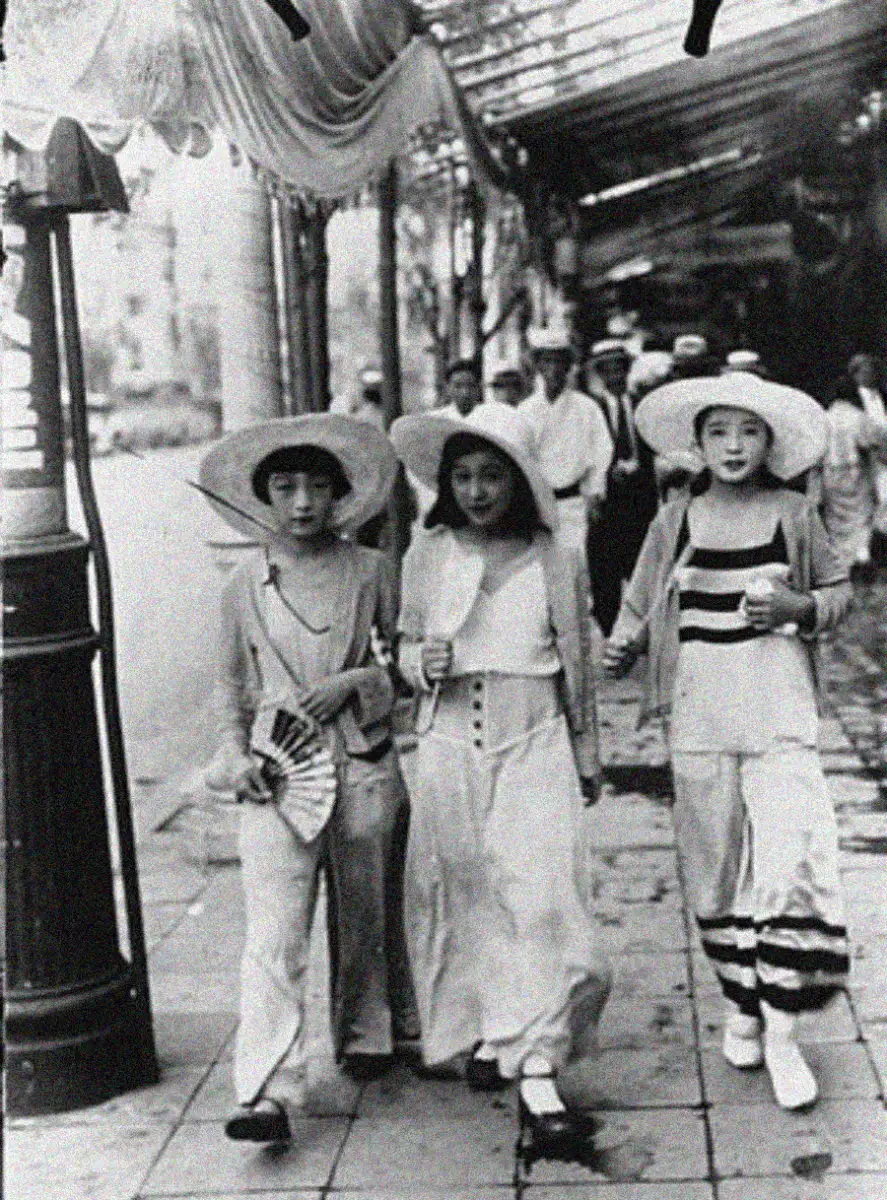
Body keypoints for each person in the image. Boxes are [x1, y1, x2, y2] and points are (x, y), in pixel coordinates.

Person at [603, 372, 852, 1113]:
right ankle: (740, 1002)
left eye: (748, 432)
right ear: (698, 443)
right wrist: (622, 646)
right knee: (714, 877)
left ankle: (780, 1032)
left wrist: (798, 605)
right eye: (718, 432)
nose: (734, 446)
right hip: (700, 715)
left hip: (778, 713)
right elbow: (639, 601)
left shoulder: (795, 513)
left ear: (768, 443)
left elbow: (837, 593)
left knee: (787, 866)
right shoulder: (674, 518)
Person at [390, 401, 611, 1162]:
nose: (478, 490)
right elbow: (402, 645)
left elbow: (578, 662)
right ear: (445, 484)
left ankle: (540, 1069)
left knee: (543, 898)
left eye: (493, 474)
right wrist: (419, 663)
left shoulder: (555, 557)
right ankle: (488, 1031)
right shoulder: (428, 554)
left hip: (533, 743)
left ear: (520, 481)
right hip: (449, 744)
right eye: (464, 475)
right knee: (465, 896)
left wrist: (586, 753)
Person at [199, 414, 418, 1143]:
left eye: (318, 487)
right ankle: (268, 1089)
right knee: (273, 928)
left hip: (359, 761)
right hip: (276, 770)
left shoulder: (371, 571)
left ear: (340, 495)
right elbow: (229, 689)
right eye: (287, 487)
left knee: (364, 910)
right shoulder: (242, 583)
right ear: (264, 497)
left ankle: (365, 1035)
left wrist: (357, 681)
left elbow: (408, 669)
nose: (302, 503)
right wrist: (235, 760)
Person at [519, 326, 613, 563]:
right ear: (538, 366)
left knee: (572, 568)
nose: (553, 369)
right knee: (537, 571)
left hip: (573, 504)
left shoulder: (586, 408)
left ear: (568, 366)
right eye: (547, 361)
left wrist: (594, 494)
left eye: (559, 361)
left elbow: (601, 452)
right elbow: (519, 456)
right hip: (536, 505)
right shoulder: (526, 410)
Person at [585, 338, 649, 635]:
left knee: (640, 568)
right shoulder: (590, 409)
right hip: (606, 504)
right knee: (605, 572)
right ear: (600, 374)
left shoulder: (641, 404)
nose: (615, 377)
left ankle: (640, 631)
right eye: (608, 371)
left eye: (619, 369)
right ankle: (610, 631)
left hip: (640, 502)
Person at [811, 375, 887, 579]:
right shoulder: (857, 417)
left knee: (836, 519)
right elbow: (876, 442)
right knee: (860, 517)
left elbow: (817, 454)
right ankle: (861, 558)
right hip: (855, 473)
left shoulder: (825, 417)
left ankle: (842, 562)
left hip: (831, 474)